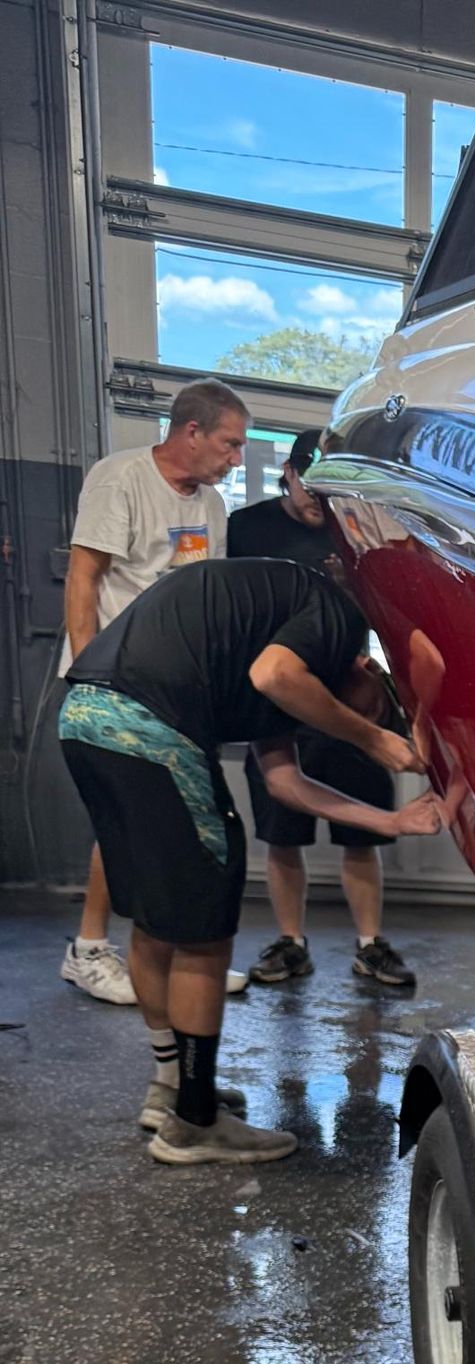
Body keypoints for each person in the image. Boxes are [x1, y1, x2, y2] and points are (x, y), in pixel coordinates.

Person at [58, 556, 445, 1167]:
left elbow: (286, 781)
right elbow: (276, 676)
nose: (359, 718)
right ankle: (194, 1125)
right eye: (372, 707)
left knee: (158, 922)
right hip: (152, 724)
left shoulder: (278, 636)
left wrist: (392, 821)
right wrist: (371, 738)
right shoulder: (337, 619)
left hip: (85, 717)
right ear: (365, 669)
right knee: (204, 931)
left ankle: (174, 1090)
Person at [59, 378, 250, 1004]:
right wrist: (90, 673)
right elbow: (83, 578)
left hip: (179, 687)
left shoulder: (212, 506)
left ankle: (185, 954)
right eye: (230, 443)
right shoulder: (122, 479)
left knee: (181, 819)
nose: (236, 458)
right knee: (130, 818)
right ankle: (88, 951)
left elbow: (204, 596)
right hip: (118, 682)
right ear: (190, 431)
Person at [228, 430, 418, 994]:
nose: (319, 503)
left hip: (347, 700)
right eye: (309, 490)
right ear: (286, 473)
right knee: (283, 832)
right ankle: (292, 942)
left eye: (329, 493)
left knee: (362, 831)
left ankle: (370, 946)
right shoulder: (245, 529)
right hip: (278, 699)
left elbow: (391, 609)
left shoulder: (358, 530)